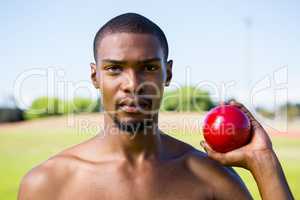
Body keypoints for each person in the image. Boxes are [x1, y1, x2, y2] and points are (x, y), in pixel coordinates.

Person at [18, 13, 293, 200]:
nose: (133, 83)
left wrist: (264, 161)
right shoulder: (47, 183)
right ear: (95, 77)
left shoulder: (211, 178)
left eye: (148, 67)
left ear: (168, 73)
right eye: (114, 69)